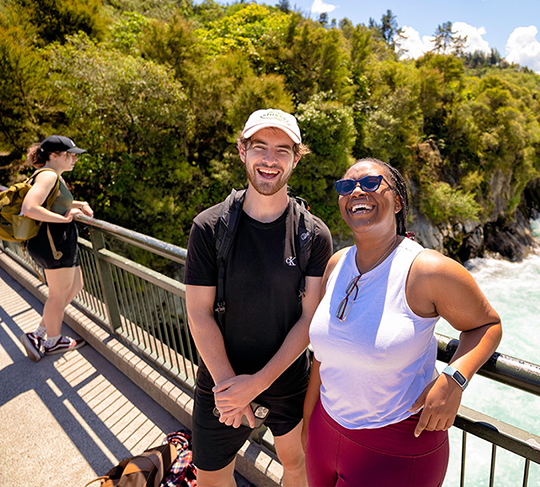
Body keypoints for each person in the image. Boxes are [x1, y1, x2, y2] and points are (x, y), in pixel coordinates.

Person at [304, 158, 503, 487]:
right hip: (324, 432)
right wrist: (308, 421)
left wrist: (454, 380)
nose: (356, 191)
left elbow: (487, 325)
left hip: (396, 447)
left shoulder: (426, 269)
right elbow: (322, 359)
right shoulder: (337, 263)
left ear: (397, 201)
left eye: (370, 184)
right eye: (346, 186)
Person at [184, 109, 332, 487]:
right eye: (260, 147)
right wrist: (230, 387)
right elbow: (199, 314)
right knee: (211, 479)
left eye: (282, 150)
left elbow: (309, 318)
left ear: (297, 159)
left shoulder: (313, 235)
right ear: (242, 151)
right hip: (221, 378)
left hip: (285, 378)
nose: (270, 160)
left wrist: (258, 383)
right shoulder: (209, 227)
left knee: (296, 465)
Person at [19, 135, 93, 362]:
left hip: (55, 244)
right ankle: (52, 341)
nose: (74, 159)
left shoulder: (50, 175)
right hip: (53, 244)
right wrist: (65, 220)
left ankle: (39, 334)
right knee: (57, 295)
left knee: (75, 286)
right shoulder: (49, 176)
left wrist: (79, 204)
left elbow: (54, 202)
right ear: (53, 156)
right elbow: (29, 207)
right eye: (69, 155)